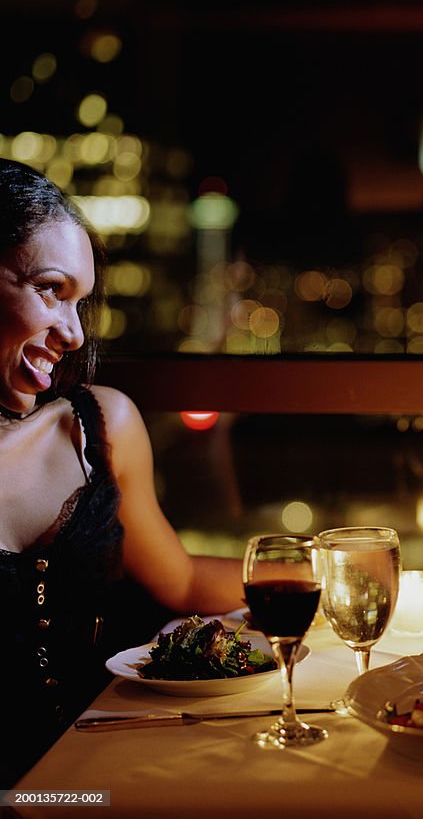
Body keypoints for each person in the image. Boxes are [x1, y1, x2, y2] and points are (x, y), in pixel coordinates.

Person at [0, 159, 244, 786]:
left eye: (80, 302)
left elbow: (183, 581)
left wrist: (325, 568)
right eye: (51, 289)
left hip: (104, 777)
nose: (75, 334)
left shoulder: (98, 428)